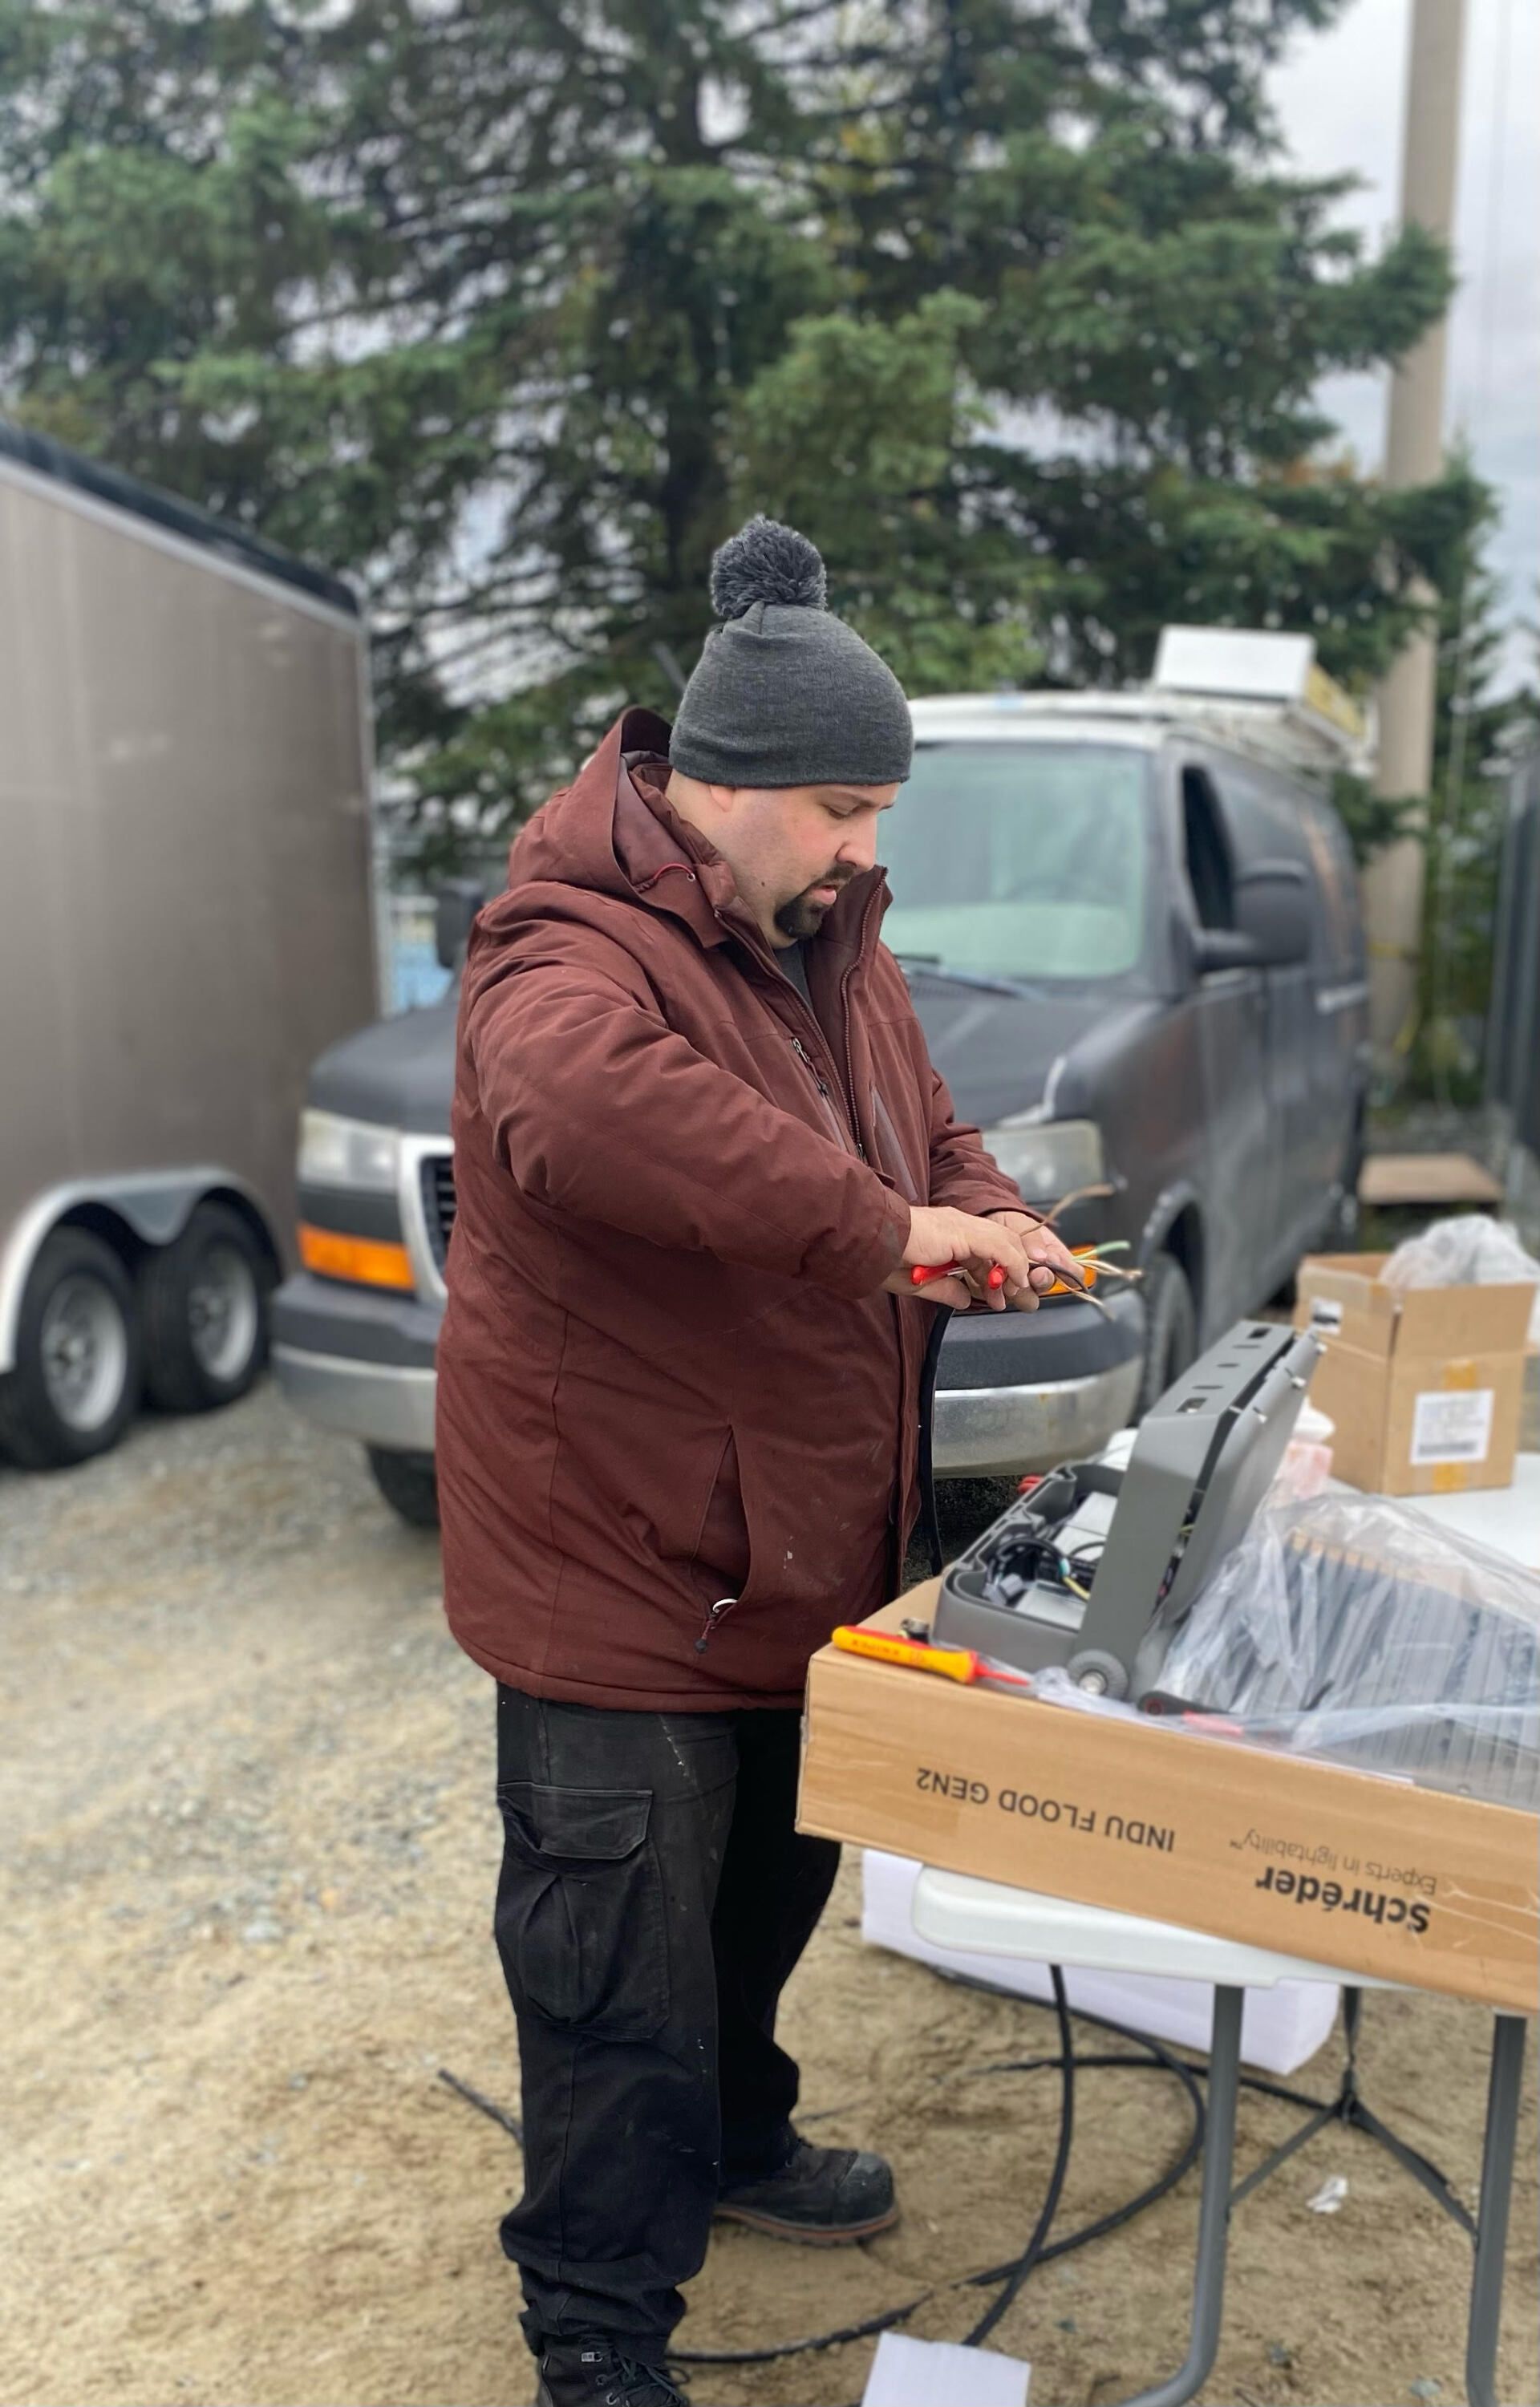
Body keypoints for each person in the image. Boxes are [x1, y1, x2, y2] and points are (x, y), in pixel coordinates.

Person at [436, 517, 1079, 2407]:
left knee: (759, 1901)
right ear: (722, 789)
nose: (871, 843)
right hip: (616, 1563)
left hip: (796, 1545)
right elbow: (601, 1120)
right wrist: (893, 1233)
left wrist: (990, 1210)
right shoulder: (562, 947)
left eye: (880, 805)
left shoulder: (831, 940)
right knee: (612, 1973)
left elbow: (927, 1123)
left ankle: (735, 2139)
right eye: (844, 803)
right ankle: (597, 2320)